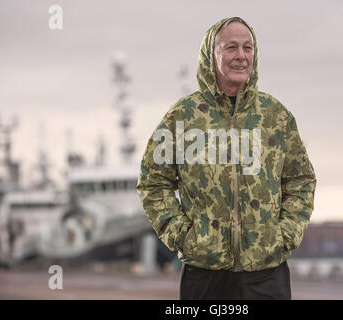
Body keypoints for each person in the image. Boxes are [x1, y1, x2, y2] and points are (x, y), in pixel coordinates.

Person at [137, 17, 316, 300]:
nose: (241, 56)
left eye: (248, 47)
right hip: (204, 272)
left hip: (266, 271)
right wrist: (184, 237)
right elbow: (153, 183)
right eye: (231, 47)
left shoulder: (276, 116)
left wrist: (283, 237)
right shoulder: (182, 117)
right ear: (211, 54)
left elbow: (301, 181)